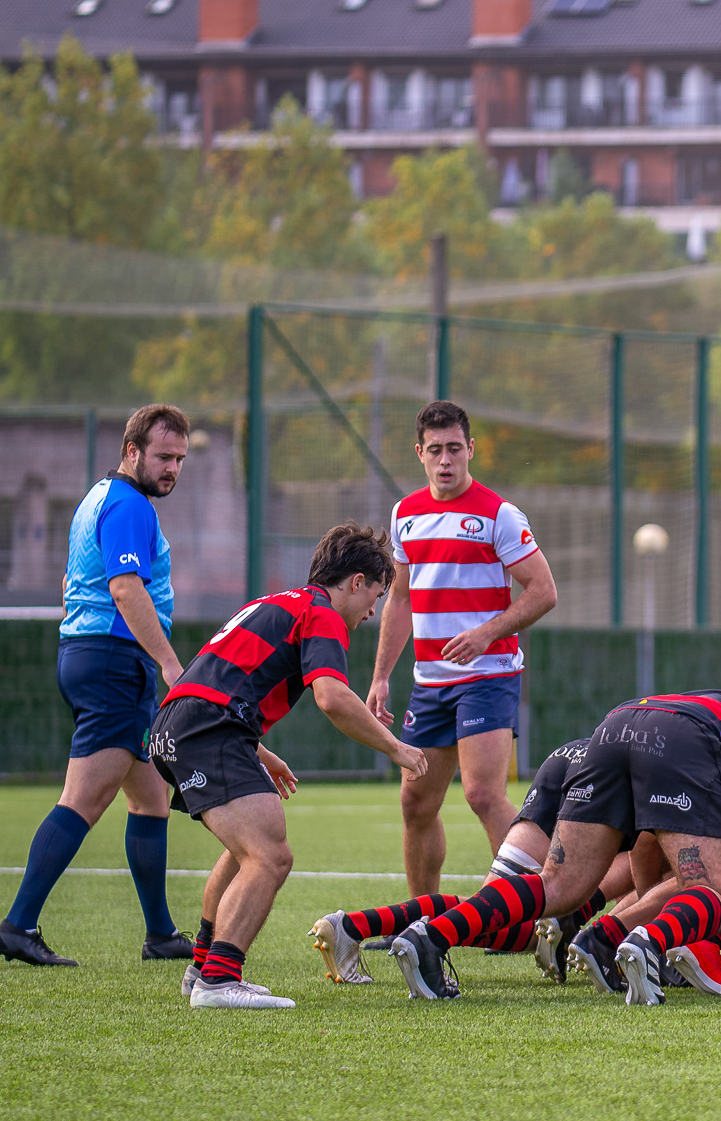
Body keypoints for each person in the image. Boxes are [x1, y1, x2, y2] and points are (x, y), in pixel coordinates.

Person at [387, 681, 721, 1004]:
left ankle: (431, 938)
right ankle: (646, 947)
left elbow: (662, 847)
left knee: (561, 885)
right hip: (682, 740)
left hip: (619, 726)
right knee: (717, 895)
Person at [151, 524, 428, 1008]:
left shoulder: (279, 602)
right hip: (209, 729)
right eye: (376, 596)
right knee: (270, 855)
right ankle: (220, 980)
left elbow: (214, 684)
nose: (372, 611)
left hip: (177, 726)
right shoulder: (322, 613)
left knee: (248, 849)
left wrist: (259, 752)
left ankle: (201, 970)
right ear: (356, 581)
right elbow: (333, 697)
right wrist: (396, 748)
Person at [0, 405, 195, 967]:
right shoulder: (129, 505)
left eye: (180, 458)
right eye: (163, 456)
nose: (173, 467)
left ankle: (160, 934)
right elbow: (126, 590)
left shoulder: (98, 498)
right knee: (83, 799)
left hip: (95, 655)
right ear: (132, 450)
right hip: (112, 662)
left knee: (151, 797)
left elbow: (69, 583)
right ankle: (17, 925)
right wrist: (170, 664)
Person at [367, 401, 558, 896]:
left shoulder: (499, 514)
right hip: (429, 685)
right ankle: (421, 919)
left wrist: (487, 633)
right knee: (416, 803)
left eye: (455, 448)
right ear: (420, 454)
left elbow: (543, 591)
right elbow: (401, 597)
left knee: (482, 795)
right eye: (436, 451)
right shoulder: (404, 513)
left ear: (470, 449)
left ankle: (539, 913)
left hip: (488, 676)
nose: (446, 460)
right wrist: (382, 676)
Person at [310, 735, 634, 987]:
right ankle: (428, 938)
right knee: (661, 873)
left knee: (485, 913)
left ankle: (354, 925)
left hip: (569, 756)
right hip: (609, 773)